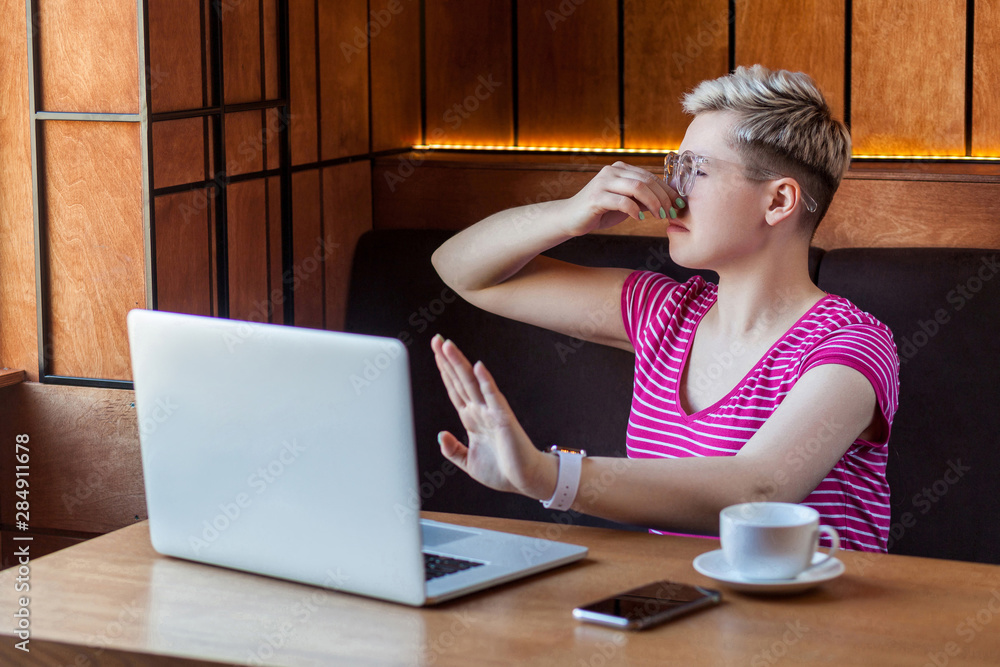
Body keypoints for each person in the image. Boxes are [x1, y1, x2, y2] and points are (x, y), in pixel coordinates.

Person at [428, 65, 900, 552]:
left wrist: (546, 475)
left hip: (820, 622)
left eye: (695, 170)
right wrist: (570, 213)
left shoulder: (850, 345)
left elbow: (758, 489)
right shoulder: (666, 313)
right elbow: (461, 270)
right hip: (685, 609)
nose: (672, 193)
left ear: (779, 200)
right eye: (674, 167)